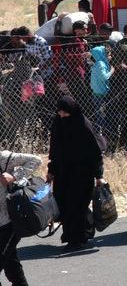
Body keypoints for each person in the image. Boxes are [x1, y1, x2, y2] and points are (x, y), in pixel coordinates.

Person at [47, 96, 107, 251]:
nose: (62, 116)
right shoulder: (58, 124)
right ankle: (77, 233)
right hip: (62, 173)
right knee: (63, 203)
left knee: (76, 205)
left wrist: (99, 175)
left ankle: (76, 240)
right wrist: (51, 171)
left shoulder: (83, 125)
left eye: (65, 113)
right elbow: (54, 150)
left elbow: (95, 153)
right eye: (59, 112)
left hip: (82, 174)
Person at [0, 150, 41, 286]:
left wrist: (14, 176)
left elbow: (36, 160)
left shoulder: (4, 158)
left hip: (8, 223)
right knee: (12, 265)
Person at [89, 46, 114, 135]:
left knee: (99, 114)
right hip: (100, 94)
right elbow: (104, 77)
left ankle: (100, 132)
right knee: (101, 115)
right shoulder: (101, 64)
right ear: (103, 55)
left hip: (98, 93)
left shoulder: (98, 63)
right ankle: (101, 134)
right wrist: (112, 71)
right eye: (109, 55)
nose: (111, 57)